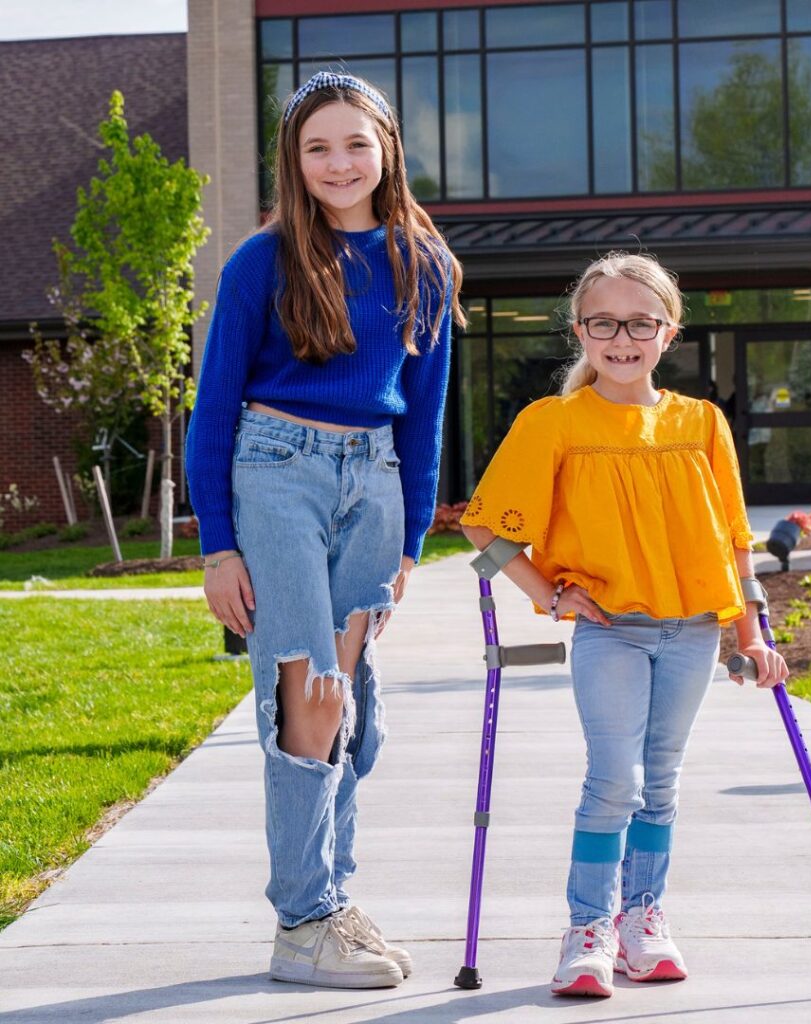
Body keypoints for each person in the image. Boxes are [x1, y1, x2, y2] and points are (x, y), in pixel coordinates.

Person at [184, 71, 464, 990]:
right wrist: (218, 545)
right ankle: (301, 922)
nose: (339, 162)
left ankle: (332, 899)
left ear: (387, 149)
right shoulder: (260, 263)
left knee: (345, 701)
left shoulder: (424, 263)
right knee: (305, 694)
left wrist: (413, 540)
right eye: (318, 147)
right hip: (274, 475)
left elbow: (423, 420)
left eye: (355, 143)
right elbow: (214, 408)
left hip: (373, 486)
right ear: (293, 162)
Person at [460, 252, 788, 999]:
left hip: (694, 629)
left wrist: (752, 638)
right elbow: (485, 529)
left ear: (668, 332)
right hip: (611, 631)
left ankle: (644, 918)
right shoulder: (555, 422)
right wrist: (550, 597)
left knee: (661, 783)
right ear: (580, 331)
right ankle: (588, 929)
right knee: (615, 779)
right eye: (604, 323)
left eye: (641, 322)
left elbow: (734, 540)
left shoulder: (701, 423)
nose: (622, 338)